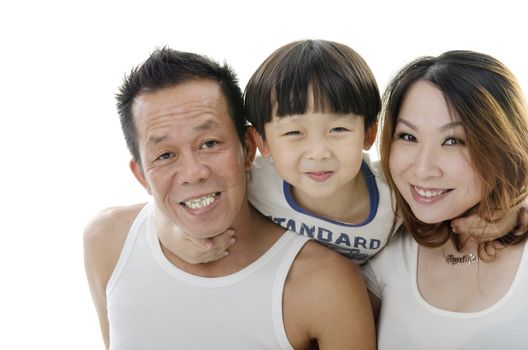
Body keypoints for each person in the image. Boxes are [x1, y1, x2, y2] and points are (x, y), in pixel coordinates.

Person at [83, 47, 375, 350]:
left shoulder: (325, 282)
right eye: (165, 155)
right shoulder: (108, 241)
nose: (193, 173)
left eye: (209, 143)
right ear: (141, 175)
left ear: (248, 149)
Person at [169, 39, 502, 266]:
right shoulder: (255, 182)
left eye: (338, 130)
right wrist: (171, 235)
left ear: (369, 133)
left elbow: (463, 198)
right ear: (262, 143)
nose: (318, 152)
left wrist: (513, 210)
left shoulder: (394, 195)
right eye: (294, 133)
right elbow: (175, 197)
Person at [362, 50, 528, 349]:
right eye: (408, 137)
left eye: (453, 141)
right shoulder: (382, 246)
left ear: (502, 146)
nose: (423, 169)